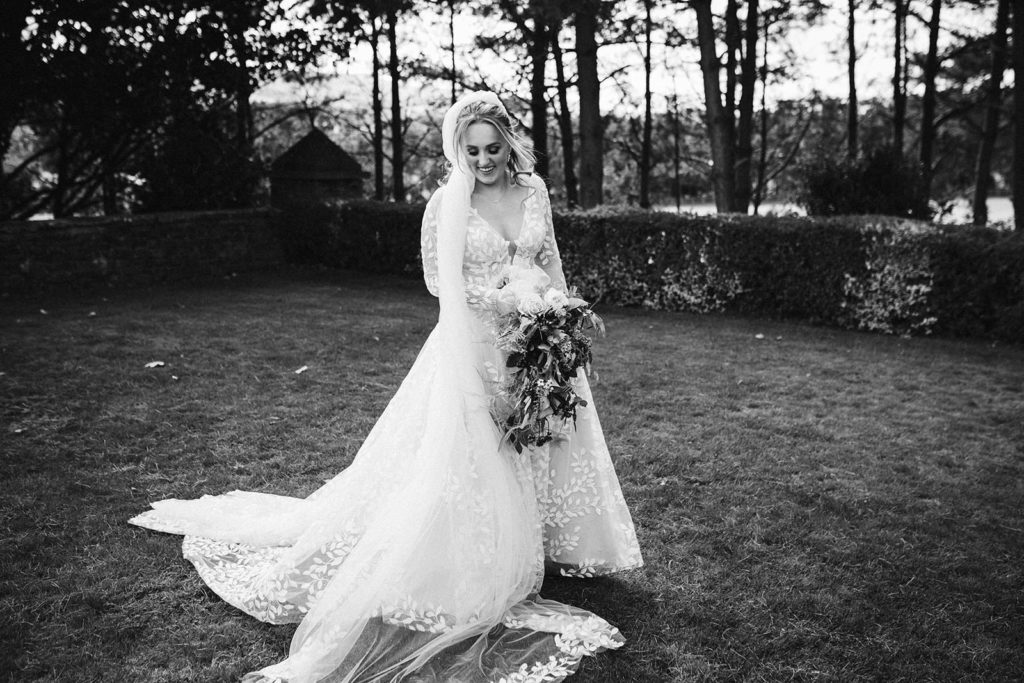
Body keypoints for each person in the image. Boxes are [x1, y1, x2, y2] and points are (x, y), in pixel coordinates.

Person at [130, 91, 642, 683]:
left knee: (543, 439)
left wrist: (555, 315)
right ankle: (477, 554)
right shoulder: (447, 204)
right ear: (459, 149)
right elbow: (438, 284)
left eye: (492, 148)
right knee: (480, 455)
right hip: (471, 345)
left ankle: (547, 542)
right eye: (471, 150)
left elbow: (550, 261)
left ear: (509, 143)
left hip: (538, 339)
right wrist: (497, 311)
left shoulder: (535, 193)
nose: (482, 160)